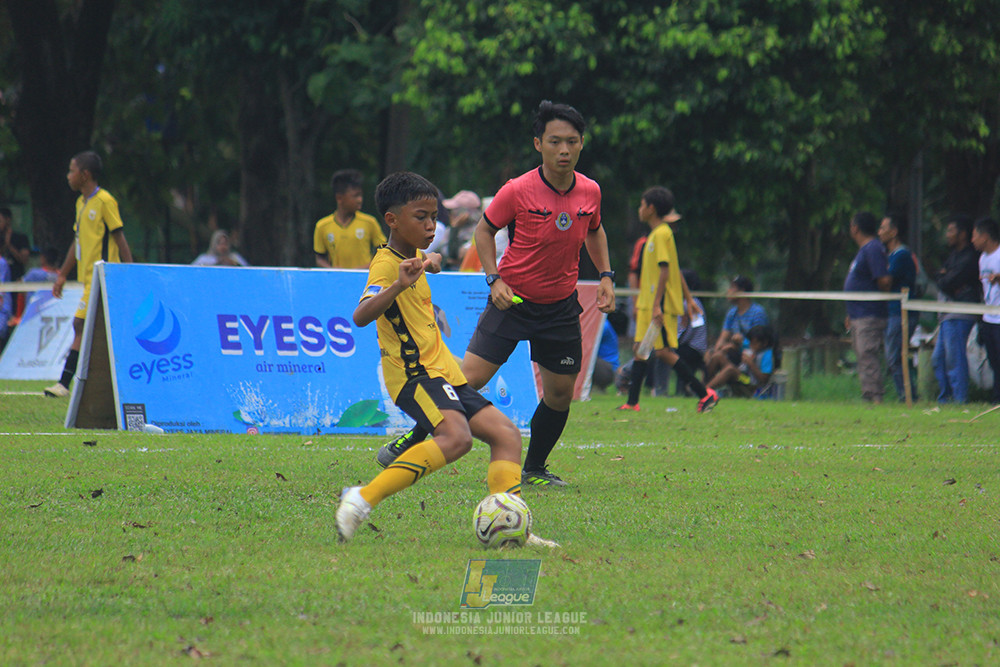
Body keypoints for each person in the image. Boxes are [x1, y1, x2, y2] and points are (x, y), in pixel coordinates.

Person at [376, 100, 616, 488]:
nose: (565, 150)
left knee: (559, 395)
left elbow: (595, 229)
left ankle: (535, 467)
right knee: (464, 379)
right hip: (512, 302)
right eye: (555, 141)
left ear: (582, 144)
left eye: (572, 142)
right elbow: (484, 231)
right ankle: (416, 435)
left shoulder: (590, 191)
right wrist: (494, 279)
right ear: (538, 143)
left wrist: (605, 275)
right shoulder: (517, 190)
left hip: (559, 307)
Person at [335, 171, 554, 548]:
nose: (431, 224)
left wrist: (430, 260)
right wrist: (399, 284)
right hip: (414, 375)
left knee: (506, 436)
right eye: (421, 217)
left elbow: (427, 259)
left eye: (434, 217)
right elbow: (361, 315)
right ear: (392, 220)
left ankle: (511, 524)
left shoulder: (413, 256)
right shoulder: (387, 265)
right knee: (456, 438)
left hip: (445, 374)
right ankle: (360, 499)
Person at [616, 186, 718, 413]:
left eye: (642, 205)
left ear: (651, 209)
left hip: (657, 305)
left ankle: (704, 395)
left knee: (663, 353)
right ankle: (632, 402)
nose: (640, 209)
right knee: (641, 350)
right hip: (649, 303)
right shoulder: (656, 235)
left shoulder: (662, 234)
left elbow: (665, 270)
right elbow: (675, 269)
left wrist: (656, 305)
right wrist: (689, 299)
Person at [46, 151, 134, 397]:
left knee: (80, 324)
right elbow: (78, 242)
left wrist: (130, 271)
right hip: (88, 280)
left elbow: (119, 237)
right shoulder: (81, 203)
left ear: (85, 175)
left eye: (72, 170)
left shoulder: (105, 201)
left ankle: (64, 384)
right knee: (107, 331)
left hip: (104, 277)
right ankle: (116, 383)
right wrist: (62, 274)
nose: (68, 176)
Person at [932, 215, 981, 403]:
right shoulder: (953, 256)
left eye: (951, 230)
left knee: (955, 357)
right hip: (946, 313)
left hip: (960, 313)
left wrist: (946, 277)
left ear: (962, 234)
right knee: (939, 358)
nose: (947, 235)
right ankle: (945, 397)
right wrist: (944, 277)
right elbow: (941, 278)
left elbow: (949, 281)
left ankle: (960, 398)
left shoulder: (970, 257)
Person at [844, 211, 891, 403]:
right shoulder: (865, 250)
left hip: (869, 314)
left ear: (855, 228)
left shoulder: (872, 248)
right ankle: (868, 394)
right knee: (862, 355)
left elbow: (884, 280)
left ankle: (875, 397)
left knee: (867, 354)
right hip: (858, 314)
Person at [878, 211, 918, 401]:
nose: (879, 232)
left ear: (893, 232)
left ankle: (908, 395)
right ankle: (907, 394)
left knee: (895, 356)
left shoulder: (901, 256)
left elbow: (886, 280)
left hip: (901, 313)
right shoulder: (892, 255)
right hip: (893, 312)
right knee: (894, 356)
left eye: (883, 228)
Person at [313, 169, 386, 269]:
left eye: (360, 195)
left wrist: (367, 267)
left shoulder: (369, 222)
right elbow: (319, 258)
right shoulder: (322, 226)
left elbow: (383, 251)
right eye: (355, 196)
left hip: (364, 279)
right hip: (338, 281)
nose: (360, 200)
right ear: (339, 198)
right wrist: (332, 270)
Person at [704, 275, 770, 379]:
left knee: (719, 356)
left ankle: (703, 388)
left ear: (742, 291)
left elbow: (759, 342)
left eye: (732, 288)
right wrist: (715, 350)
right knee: (712, 355)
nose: (728, 291)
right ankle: (703, 388)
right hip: (734, 353)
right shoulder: (732, 313)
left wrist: (740, 343)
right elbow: (723, 337)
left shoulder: (757, 313)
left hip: (749, 357)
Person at [971, 217, 1000, 404]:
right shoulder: (983, 259)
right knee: (994, 361)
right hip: (988, 317)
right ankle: (996, 398)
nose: (972, 240)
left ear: (985, 236)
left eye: (975, 235)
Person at [707, 324, 776, 397]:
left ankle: (705, 391)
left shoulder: (767, 355)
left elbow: (763, 380)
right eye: (751, 342)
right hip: (742, 375)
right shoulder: (751, 347)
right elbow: (739, 345)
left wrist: (750, 363)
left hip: (748, 382)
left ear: (765, 343)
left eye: (755, 343)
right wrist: (731, 346)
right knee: (718, 356)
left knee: (731, 370)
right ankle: (702, 385)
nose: (751, 345)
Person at [0, 207, 31, 282]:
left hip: (16, 279)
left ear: (7, 220)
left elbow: (24, 259)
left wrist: (9, 245)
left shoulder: (21, 238)